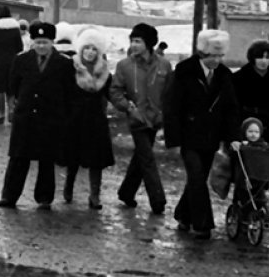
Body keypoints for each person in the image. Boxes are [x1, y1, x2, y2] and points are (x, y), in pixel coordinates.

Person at [163, 29, 241, 240]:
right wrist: (173, 139)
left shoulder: (224, 76)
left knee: (197, 179)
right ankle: (202, 224)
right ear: (202, 53)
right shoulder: (184, 71)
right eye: (212, 56)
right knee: (197, 177)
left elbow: (231, 109)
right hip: (188, 136)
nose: (216, 60)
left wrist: (232, 136)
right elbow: (171, 107)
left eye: (220, 56)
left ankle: (183, 215)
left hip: (211, 137)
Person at [0, 21, 72, 211]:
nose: (41, 46)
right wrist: (12, 108)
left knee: (47, 160)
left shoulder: (63, 63)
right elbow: (12, 87)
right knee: (18, 158)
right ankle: (9, 196)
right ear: (32, 42)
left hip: (50, 119)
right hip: (25, 117)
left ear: (52, 42)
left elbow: (68, 91)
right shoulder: (21, 60)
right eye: (37, 42)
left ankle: (44, 198)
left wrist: (64, 117)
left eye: (45, 42)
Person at [109, 22, 172, 214]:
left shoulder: (164, 65)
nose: (134, 45)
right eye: (132, 41)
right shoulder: (124, 65)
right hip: (137, 118)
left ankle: (126, 193)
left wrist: (165, 114)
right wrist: (127, 107)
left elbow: (170, 91)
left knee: (141, 157)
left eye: (138, 41)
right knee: (147, 158)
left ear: (149, 43)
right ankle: (158, 200)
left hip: (156, 119)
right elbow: (115, 91)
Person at [57, 28, 115, 209]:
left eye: (94, 49)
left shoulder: (105, 73)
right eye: (87, 48)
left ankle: (94, 195)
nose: (90, 52)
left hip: (96, 120)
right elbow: (62, 93)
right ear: (80, 49)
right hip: (74, 119)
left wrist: (126, 106)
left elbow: (112, 94)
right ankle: (68, 187)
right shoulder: (70, 68)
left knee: (96, 160)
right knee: (73, 157)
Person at [232, 39, 269, 143]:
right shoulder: (239, 77)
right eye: (259, 57)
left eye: (267, 57)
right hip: (243, 125)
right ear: (252, 58)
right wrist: (233, 135)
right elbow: (232, 107)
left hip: (264, 127)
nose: (263, 61)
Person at [229, 117, 269, 218]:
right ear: (244, 132)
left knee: (260, 198)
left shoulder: (263, 145)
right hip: (243, 178)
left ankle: (262, 214)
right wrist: (236, 147)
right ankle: (240, 214)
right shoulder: (241, 145)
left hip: (258, 178)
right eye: (250, 131)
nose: (253, 134)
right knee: (242, 197)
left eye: (256, 132)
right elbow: (232, 153)